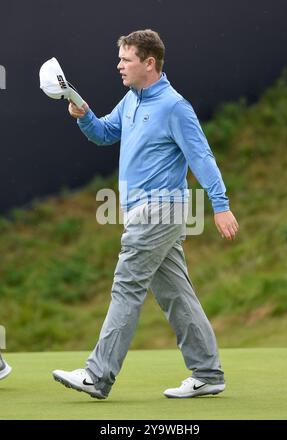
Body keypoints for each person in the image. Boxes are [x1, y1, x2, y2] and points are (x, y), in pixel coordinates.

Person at [53, 29, 239, 400]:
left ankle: (97, 374)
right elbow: (106, 134)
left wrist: (221, 206)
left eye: (126, 59)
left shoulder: (174, 106)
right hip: (145, 212)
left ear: (149, 63)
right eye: (120, 58)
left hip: (161, 209)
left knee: (126, 285)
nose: (119, 65)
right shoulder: (131, 99)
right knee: (176, 294)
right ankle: (208, 373)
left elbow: (201, 157)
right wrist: (85, 114)